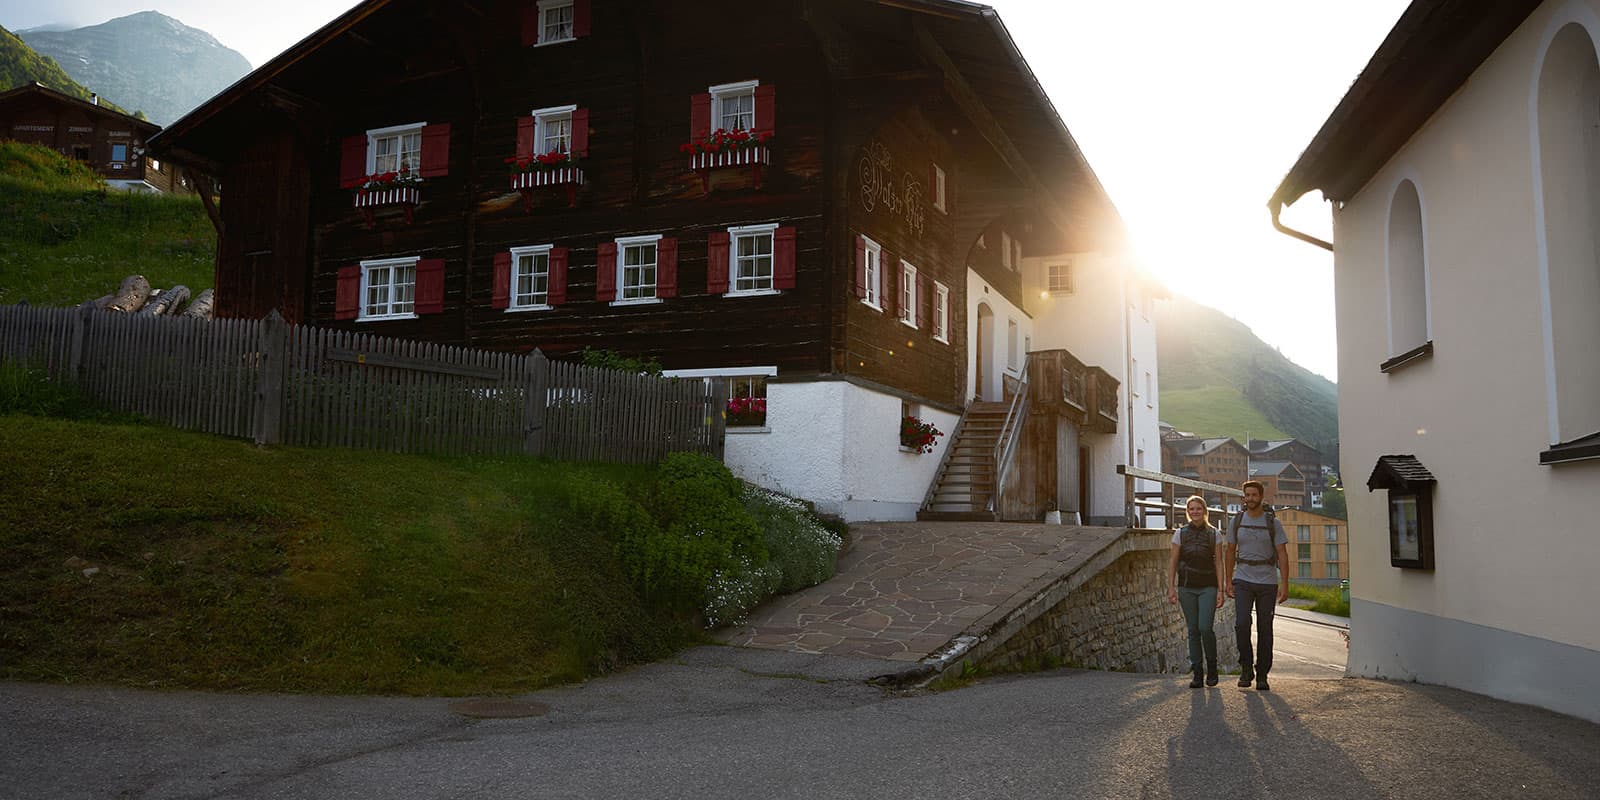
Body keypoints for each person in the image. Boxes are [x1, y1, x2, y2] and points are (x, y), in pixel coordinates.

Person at [1225, 480, 1290, 691]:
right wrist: (1228, 581)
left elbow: (1282, 554)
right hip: (1243, 578)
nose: (1250, 498)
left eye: (1254, 495)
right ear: (1243, 497)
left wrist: (1285, 584)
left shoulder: (1273, 523)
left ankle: (1262, 674)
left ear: (1261, 497)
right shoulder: (1236, 521)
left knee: (1265, 628)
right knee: (1242, 623)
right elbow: (1229, 551)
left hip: (1267, 582)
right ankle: (1246, 668)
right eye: (1247, 495)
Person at [1167, 495, 1226, 688]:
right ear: (1187, 511)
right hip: (1186, 586)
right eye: (1191, 509)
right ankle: (1198, 672)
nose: (1195, 512)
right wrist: (1171, 588)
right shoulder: (1180, 533)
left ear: (1205, 511)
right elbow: (1173, 562)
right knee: (1192, 630)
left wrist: (1220, 589)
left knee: (1204, 628)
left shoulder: (1214, 534)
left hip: (1208, 586)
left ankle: (1212, 666)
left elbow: (1218, 561)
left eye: (1198, 509)